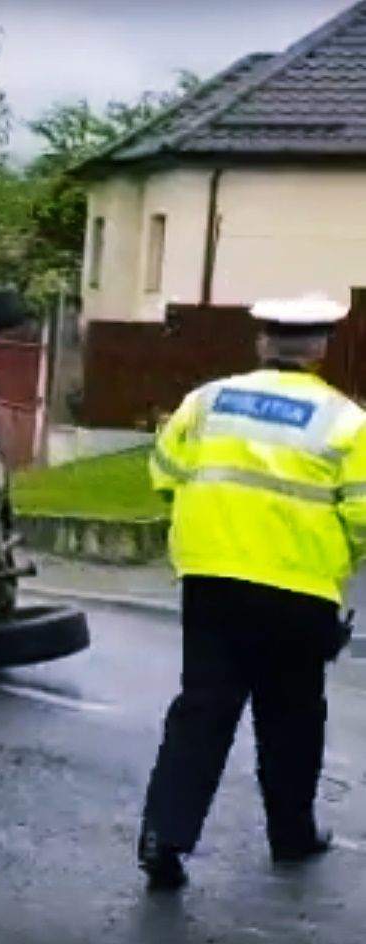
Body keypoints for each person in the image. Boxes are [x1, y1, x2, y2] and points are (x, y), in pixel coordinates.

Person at [136, 293, 366, 891]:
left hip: (209, 578)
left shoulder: (206, 402)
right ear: (319, 349)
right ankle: (291, 836)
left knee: (202, 709)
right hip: (299, 588)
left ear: (263, 342)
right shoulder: (347, 422)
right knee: (291, 716)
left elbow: (164, 470)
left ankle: (166, 833)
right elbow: (364, 514)